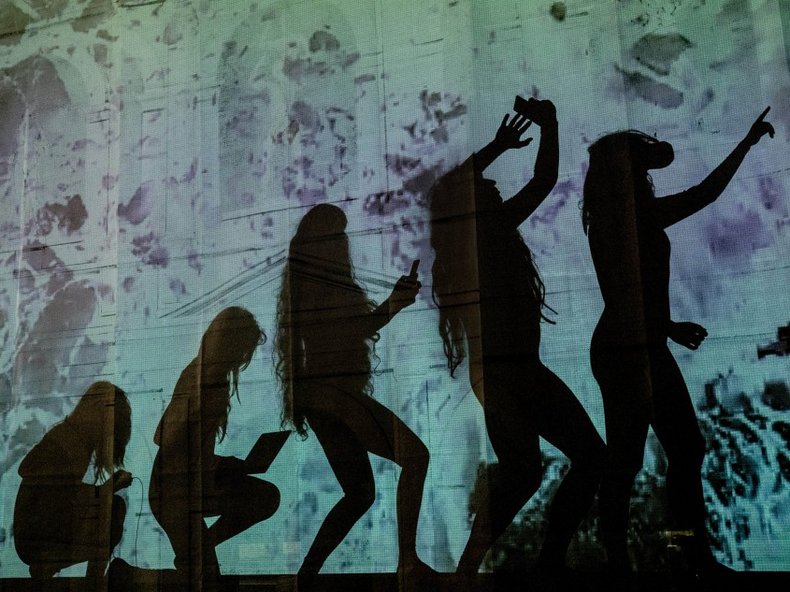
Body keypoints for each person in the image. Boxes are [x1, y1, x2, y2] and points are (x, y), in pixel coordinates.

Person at [582, 108, 774, 576]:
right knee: (659, 454)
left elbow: (627, 290)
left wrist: (666, 328)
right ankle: (670, 556)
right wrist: (745, 143)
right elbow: (623, 294)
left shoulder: (621, 214)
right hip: (630, 349)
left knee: (655, 455)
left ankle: (644, 558)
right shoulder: (624, 216)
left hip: (634, 346)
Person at [429, 98, 605, 579]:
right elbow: (542, 180)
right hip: (512, 372)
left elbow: (450, 190)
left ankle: (476, 569)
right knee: (583, 459)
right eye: (485, 189)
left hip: (504, 372)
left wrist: (500, 146)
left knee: (530, 472)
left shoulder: (470, 241)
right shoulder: (484, 237)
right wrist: (547, 124)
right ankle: (537, 563)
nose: (493, 191)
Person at [275, 203, 432, 586]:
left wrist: (393, 304)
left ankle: (307, 575)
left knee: (360, 493)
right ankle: (407, 562)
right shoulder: (323, 284)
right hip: (336, 394)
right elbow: (347, 330)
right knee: (415, 456)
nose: (343, 241)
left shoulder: (304, 284)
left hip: (322, 398)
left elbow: (342, 331)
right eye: (338, 233)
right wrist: (393, 304)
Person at [149, 307, 280, 585]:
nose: (244, 358)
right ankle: (138, 574)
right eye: (243, 350)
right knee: (205, 579)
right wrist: (219, 464)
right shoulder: (199, 380)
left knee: (265, 497)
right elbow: (166, 438)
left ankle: (197, 550)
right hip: (174, 491)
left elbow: (183, 444)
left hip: (183, 487)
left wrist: (221, 463)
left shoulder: (209, 379)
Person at [14, 381, 132, 579]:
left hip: (31, 537)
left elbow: (59, 494)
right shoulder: (70, 442)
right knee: (114, 509)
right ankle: (91, 581)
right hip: (36, 539)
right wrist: (107, 489)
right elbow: (61, 497)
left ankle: (59, 569)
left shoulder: (67, 436)